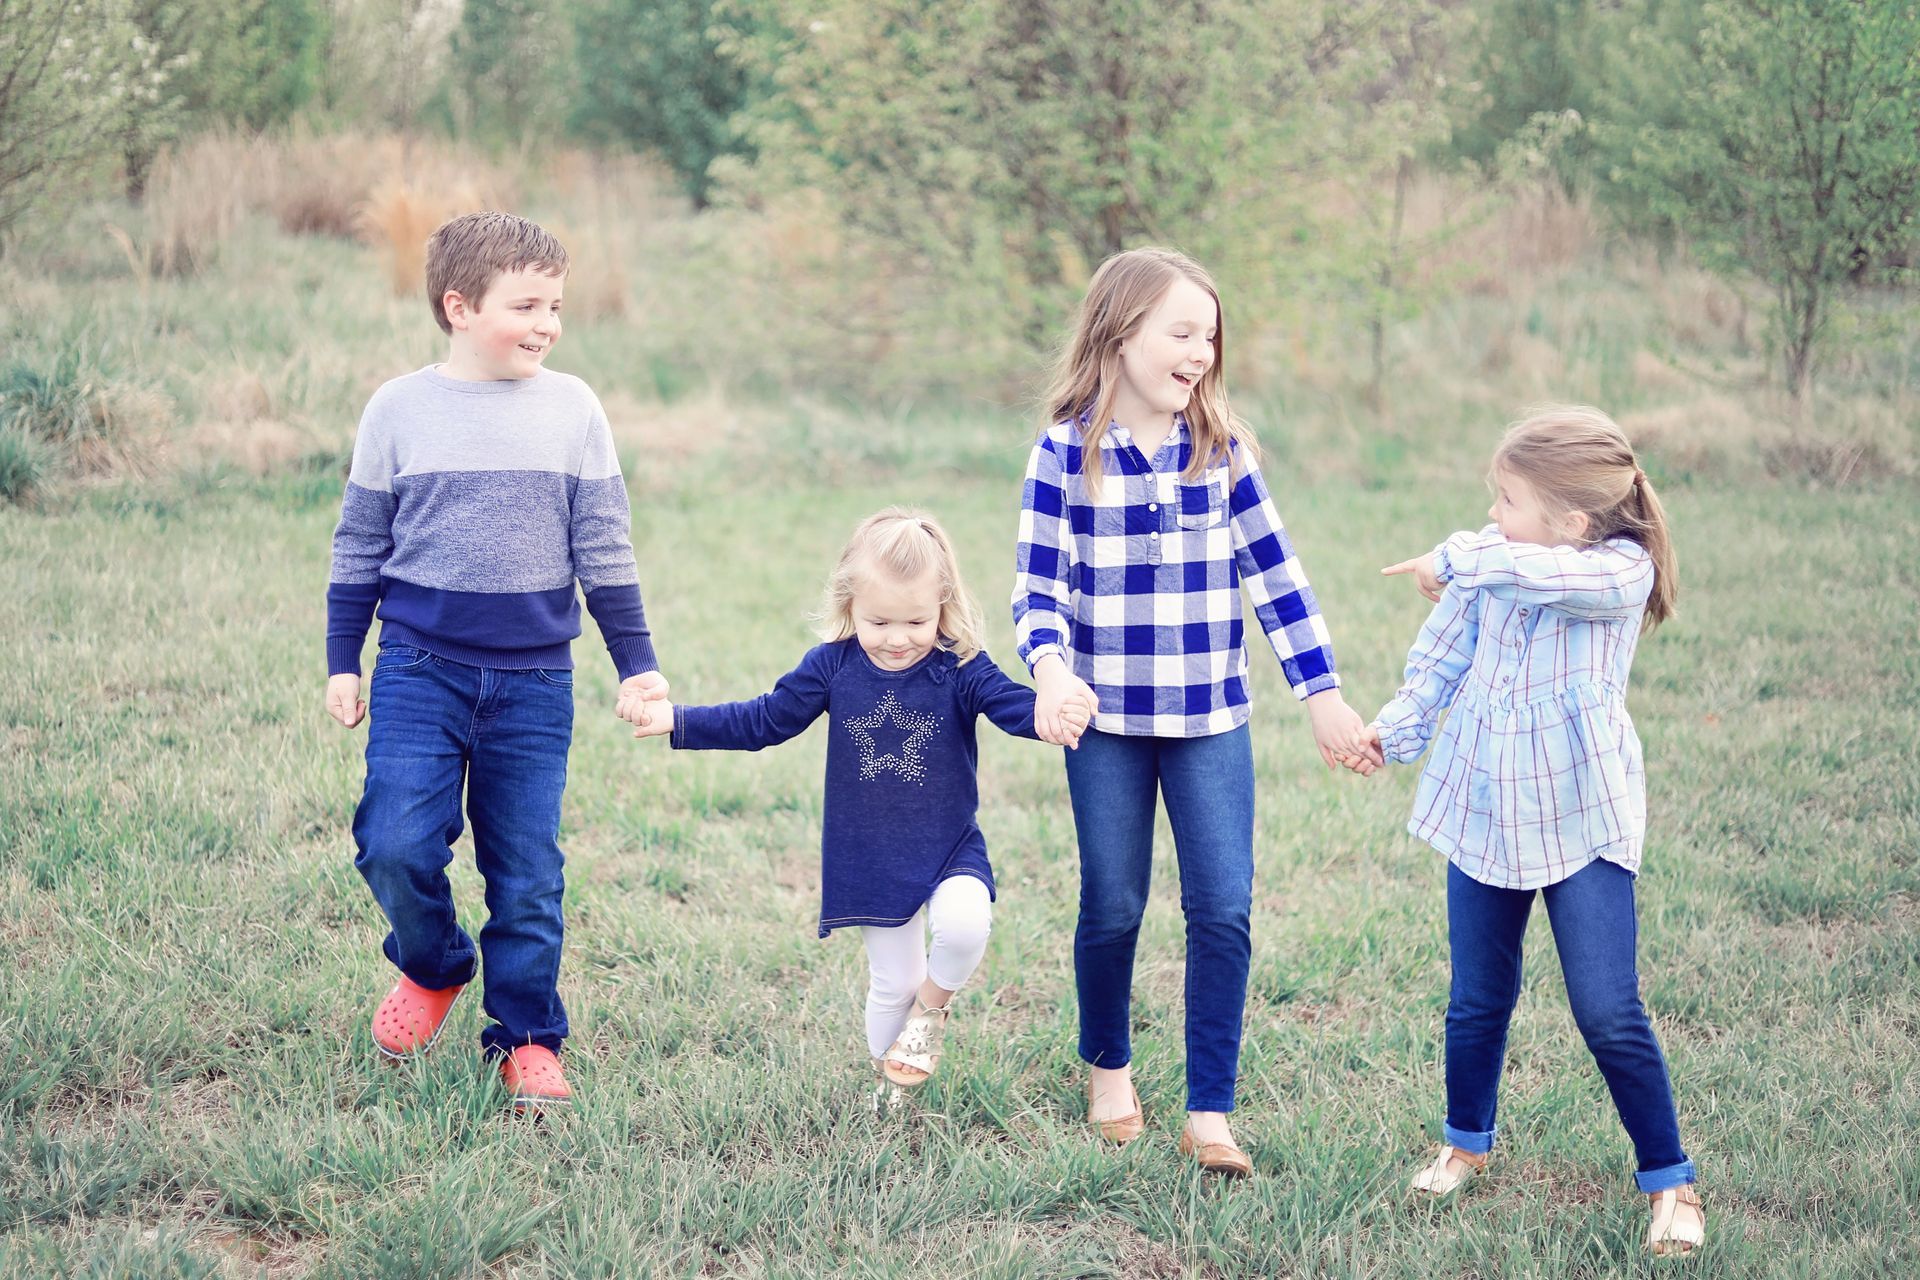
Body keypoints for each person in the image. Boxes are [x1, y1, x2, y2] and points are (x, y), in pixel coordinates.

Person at [1012, 247, 1370, 1177]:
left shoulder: (1222, 455)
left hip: (1212, 718)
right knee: (1115, 903)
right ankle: (1109, 1070)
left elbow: (1275, 580)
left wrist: (1321, 696)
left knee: (1223, 907)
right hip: (1106, 726)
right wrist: (1050, 673)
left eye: (1211, 335)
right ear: (1120, 333)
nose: (1201, 351)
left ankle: (1210, 1110)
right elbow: (1038, 589)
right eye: (1181, 332)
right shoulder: (1064, 452)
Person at [324, 211, 666, 1112]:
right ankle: (433, 966)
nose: (548, 324)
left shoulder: (574, 408)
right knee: (394, 841)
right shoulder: (398, 409)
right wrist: (342, 660)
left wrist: (637, 664)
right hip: (417, 666)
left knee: (527, 873)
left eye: (556, 305)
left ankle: (524, 1035)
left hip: (534, 682)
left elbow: (605, 547)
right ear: (459, 305)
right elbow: (358, 544)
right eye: (527, 305)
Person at [1353, 405, 1703, 1256]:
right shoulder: (1494, 564)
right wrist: (1390, 732)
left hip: (1582, 813)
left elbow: (1543, 577)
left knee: (1608, 1008)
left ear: (1572, 521)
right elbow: (1442, 657)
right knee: (1477, 999)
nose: (1491, 515)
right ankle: (1465, 1141)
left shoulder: (1617, 570)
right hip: (1484, 802)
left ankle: (1670, 1180)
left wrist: (1457, 558)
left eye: (1505, 500)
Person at [623, 508, 1093, 1096]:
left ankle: (930, 1014)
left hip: (949, 846)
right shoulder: (833, 667)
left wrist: (1054, 713)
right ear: (849, 606)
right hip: (869, 853)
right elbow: (765, 719)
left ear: (944, 608)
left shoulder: (960, 668)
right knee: (893, 982)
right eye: (879, 621)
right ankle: (890, 1092)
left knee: (966, 925)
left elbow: (1012, 706)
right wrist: (678, 719)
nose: (898, 638)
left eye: (917, 621)